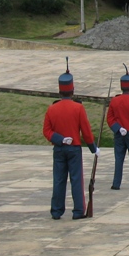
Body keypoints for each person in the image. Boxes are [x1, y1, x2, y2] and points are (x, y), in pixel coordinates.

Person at [42, 67, 99, 220]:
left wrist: (59, 139)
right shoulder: (78, 108)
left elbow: (46, 131)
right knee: (76, 180)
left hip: (59, 148)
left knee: (59, 180)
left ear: (59, 91)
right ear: (72, 90)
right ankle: (78, 210)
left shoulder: (51, 109)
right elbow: (86, 131)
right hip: (74, 149)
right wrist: (93, 148)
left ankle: (56, 210)